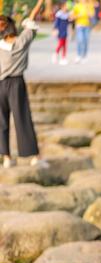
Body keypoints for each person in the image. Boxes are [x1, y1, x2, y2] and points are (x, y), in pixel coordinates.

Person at [0, 0, 48, 169]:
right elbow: (31, 21)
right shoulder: (22, 41)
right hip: (17, 83)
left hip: (1, 84)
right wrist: (40, 3)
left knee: (2, 122)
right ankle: (34, 156)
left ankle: (6, 158)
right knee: (23, 119)